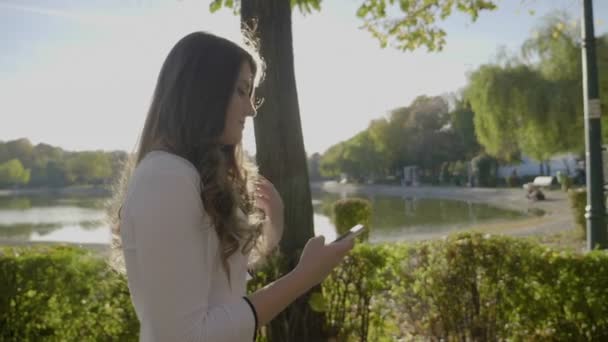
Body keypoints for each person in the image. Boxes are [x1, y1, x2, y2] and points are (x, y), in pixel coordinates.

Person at [112, 31, 354, 341]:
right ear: (201, 93)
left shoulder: (184, 175)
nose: (252, 109)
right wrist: (303, 277)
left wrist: (272, 231)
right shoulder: (166, 179)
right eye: (241, 91)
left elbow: (217, 286)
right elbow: (184, 335)